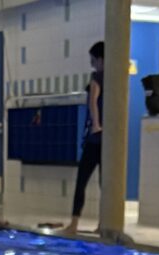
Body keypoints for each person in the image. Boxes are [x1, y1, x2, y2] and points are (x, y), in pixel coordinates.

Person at [63, 43, 105, 238]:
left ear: (101, 59)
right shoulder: (113, 78)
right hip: (107, 140)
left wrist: (96, 124)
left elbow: (93, 102)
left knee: (82, 180)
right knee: (105, 184)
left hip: (95, 139)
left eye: (93, 60)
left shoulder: (97, 78)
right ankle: (103, 223)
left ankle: (74, 223)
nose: (92, 64)